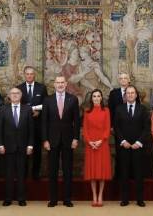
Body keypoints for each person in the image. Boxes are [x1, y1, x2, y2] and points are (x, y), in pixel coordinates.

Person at [42, 76, 80, 207]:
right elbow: (44, 122)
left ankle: (67, 199)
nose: (60, 84)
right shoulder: (47, 100)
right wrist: (45, 140)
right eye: (57, 82)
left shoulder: (73, 99)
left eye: (62, 82)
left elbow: (77, 121)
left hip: (68, 140)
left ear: (66, 84)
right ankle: (53, 199)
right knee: (52, 171)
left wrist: (76, 138)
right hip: (51, 141)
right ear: (54, 84)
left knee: (68, 170)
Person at [0, 87, 34, 206]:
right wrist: (0, 144)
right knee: (8, 174)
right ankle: (8, 199)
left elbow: (31, 129)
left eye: (17, 93)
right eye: (13, 93)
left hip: (23, 147)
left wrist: (30, 145)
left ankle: (21, 198)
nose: (15, 95)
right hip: (7, 147)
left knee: (22, 174)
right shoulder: (3, 109)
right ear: (9, 96)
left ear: (21, 95)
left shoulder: (27, 109)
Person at [114, 86, 149, 207]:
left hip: (138, 147)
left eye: (132, 93)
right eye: (128, 93)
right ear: (125, 96)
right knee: (124, 173)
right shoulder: (119, 109)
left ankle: (140, 199)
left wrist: (138, 142)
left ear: (136, 95)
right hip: (124, 147)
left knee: (139, 173)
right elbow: (116, 128)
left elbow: (146, 128)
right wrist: (123, 141)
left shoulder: (143, 109)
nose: (130, 95)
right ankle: (124, 199)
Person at [16, 65, 48, 179]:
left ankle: (35, 174)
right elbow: (16, 106)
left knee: (37, 150)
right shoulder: (18, 88)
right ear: (24, 75)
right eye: (27, 74)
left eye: (31, 74)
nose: (29, 76)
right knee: (23, 150)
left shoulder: (42, 88)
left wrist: (39, 113)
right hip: (23, 125)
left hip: (37, 124)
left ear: (34, 75)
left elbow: (47, 105)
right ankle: (23, 174)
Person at [82, 89, 111, 207]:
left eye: (98, 96)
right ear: (91, 98)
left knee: (102, 172)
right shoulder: (87, 112)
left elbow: (107, 128)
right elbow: (85, 130)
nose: (96, 98)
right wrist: (90, 142)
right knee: (93, 173)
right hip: (91, 145)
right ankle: (94, 196)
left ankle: (100, 196)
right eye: (94, 96)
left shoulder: (106, 111)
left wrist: (101, 140)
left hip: (102, 144)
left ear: (101, 98)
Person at [108, 72, 131, 179]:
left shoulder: (133, 92)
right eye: (121, 78)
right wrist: (111, 126)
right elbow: (110, 111)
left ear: (128, 80)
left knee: (131, 151)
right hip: (118, 128)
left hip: (132, 128)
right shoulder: (114, 93)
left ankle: (131, 175)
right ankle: (119, 176)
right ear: (119, 80)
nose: (123, 80)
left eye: (125, 78)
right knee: (120, 152)